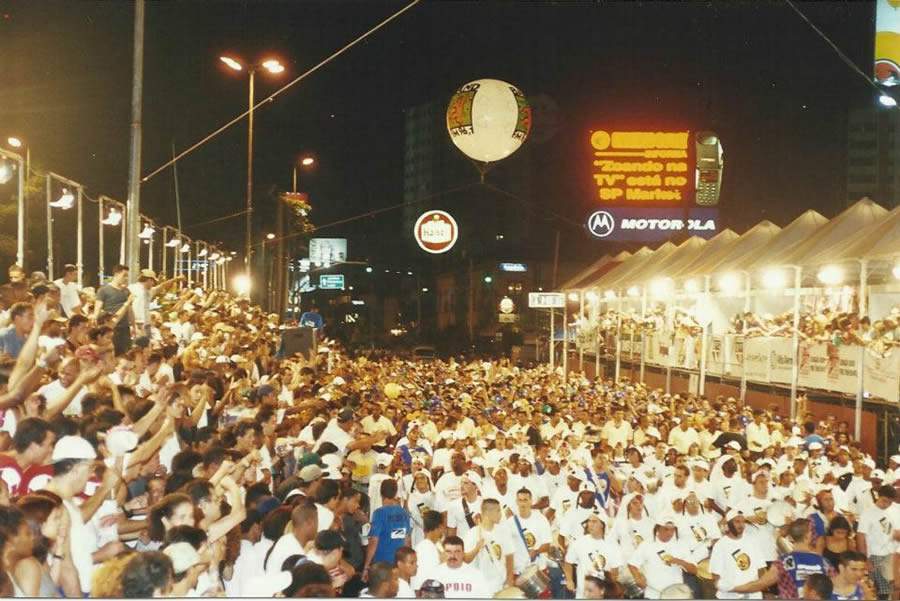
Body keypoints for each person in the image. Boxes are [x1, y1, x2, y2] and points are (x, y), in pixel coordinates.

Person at [627, 513, 697, 599]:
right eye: (666, 529)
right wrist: (637, 577)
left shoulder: (681, 545)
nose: (670, 533)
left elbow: (694, 571)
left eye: (672, 530)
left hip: (676, 594)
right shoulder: (646, 544)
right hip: (653, 594)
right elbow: (632, 564)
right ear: (658, 528)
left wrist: (679, 561)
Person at [461, 498, 515, 595]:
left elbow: (509, 556)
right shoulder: (472, 533)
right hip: (482, 586)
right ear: (488, 513)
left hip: (501, 583)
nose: (501, 514)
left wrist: (509, 579)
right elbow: (465, 559)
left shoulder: (503, 531)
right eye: (498, 511)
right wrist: (477, 548)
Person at [564, 511, 623, 598]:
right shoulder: (579, 542)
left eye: (594, 521)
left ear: (602, 524)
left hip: (603, 595)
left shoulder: (612, 545)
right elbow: (568, 562)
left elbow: (615, 572)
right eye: (589, 521)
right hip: (582, 595)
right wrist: (569, 580)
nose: (590, 524)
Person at [854, 485, 899, 599]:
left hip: (890, 554)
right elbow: (860, 537)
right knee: (874, 589)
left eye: (890, 502)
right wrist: (865, 560)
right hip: (874, 555)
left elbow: (894, 533)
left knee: (890, 588)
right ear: (878, 496)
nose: (886, 504)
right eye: (884, 501)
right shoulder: (867, 513)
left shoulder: (893, 511)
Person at [364, 478, 411, 580]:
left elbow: (374, 541)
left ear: (381, 493)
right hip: (398, 563)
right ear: (395, 493)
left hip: (382, 565)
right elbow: (407, 539)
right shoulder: (404, 513)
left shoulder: (379, 513)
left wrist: (366, 566)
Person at [416, 535, 488, 598]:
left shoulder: (476, 575)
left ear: (463, 553)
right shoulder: (434, 575)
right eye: (448, 551)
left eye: (457, 551)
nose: (453, 556)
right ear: (443, 553)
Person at [93, 264, 133, 356]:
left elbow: (130, 310)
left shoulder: (127, 291)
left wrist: (133, 325)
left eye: (127, 276)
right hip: (111, 327)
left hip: (124, 328)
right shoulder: (103, 290)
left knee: (126, 353)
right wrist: (96, 318)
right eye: (124, 275)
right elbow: (98, 307)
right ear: (116, 274)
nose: (126, 278)